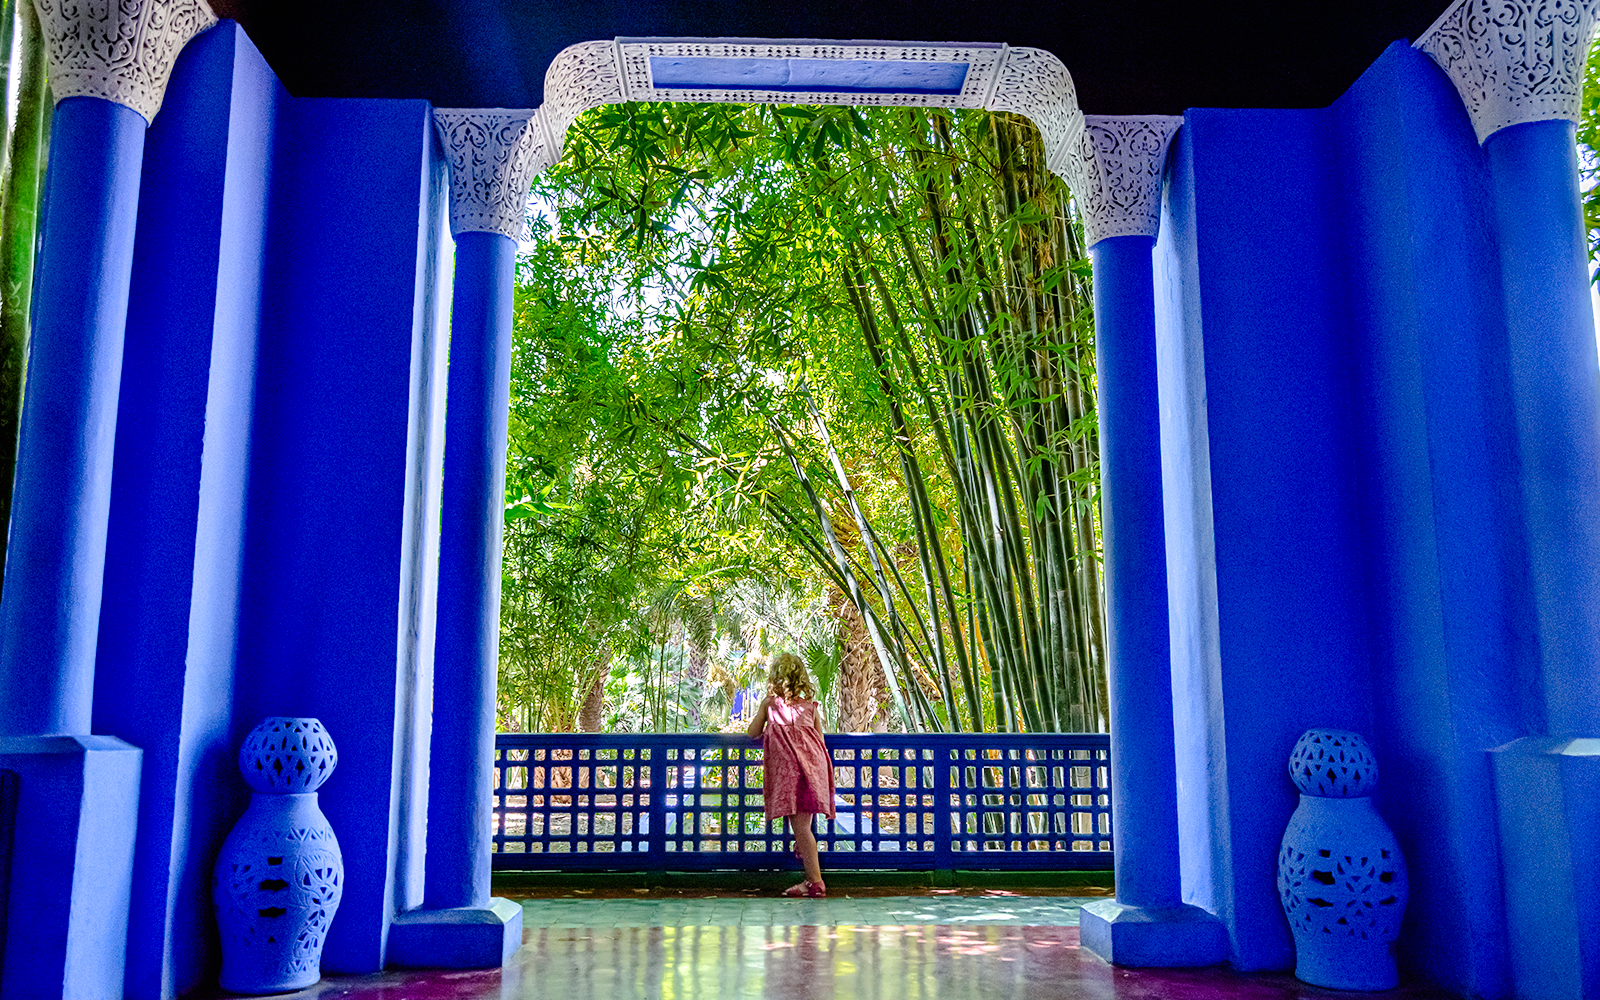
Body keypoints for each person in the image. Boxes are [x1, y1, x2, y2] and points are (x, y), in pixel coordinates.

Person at [746, 652, 835, 897]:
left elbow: (752, 732)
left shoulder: (770, 705)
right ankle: (804, 852)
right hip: (813, 770)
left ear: (774, 679)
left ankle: (815, 882)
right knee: (802, 824)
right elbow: (820, 740)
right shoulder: (811, 708)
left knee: (801, 827)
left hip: (789, 774)